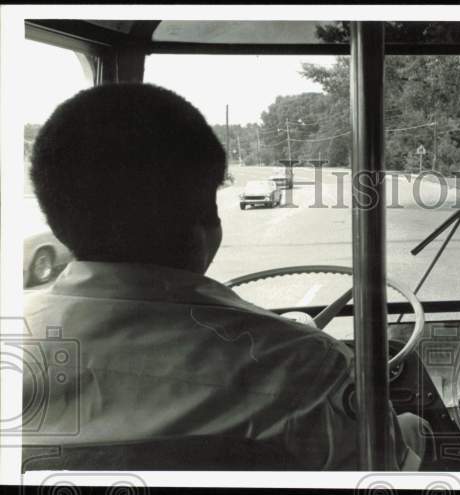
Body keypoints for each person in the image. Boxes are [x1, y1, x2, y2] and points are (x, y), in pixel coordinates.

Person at [24, 83, 425, 470]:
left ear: (56, 220)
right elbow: (382, 473)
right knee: (414, 427)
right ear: (209, 217)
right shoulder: (311, 369)